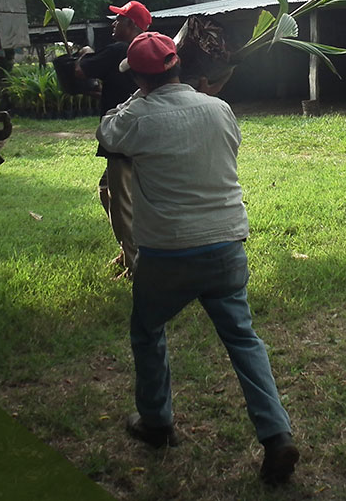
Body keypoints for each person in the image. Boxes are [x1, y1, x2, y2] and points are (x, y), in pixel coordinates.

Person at [96, 31, 299, 487]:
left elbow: (106, 130)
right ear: (178, 68)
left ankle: (157, 422)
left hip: (167, 253)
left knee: (148, 332)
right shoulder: (219, 109)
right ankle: (276, 433)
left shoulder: (137, 117)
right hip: (226, 246)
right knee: (244, 340)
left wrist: (137, 97)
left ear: (142, 79)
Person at [77, 0, 150, 275]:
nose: (113, 23)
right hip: (143, 137)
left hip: (121, 138)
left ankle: (137, 266)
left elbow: (79, 71)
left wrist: (84, 52)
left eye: (119, 19)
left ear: (131, 26)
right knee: (110, 192)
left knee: (122, 204)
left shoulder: (121, 49)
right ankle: (128, 250)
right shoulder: (146, 54)